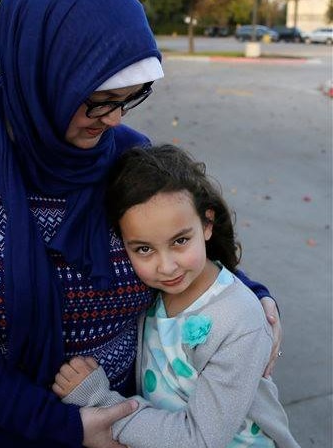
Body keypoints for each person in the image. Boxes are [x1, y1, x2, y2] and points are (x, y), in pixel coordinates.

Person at [0, 1, 281, 447]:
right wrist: (63, 424)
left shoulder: (125, 152)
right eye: (98, 102)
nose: (113, 119)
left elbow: (171, 242)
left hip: (124, 425)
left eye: (129, 99)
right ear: (45, 71)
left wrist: (250, 296)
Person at [53, 144, 300, 448]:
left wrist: (99, 400)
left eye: (180, 241)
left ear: (207, 224)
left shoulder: (239, 321)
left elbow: (200, 440)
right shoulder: (152, 294)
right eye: (143, 249)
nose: (166, 266)